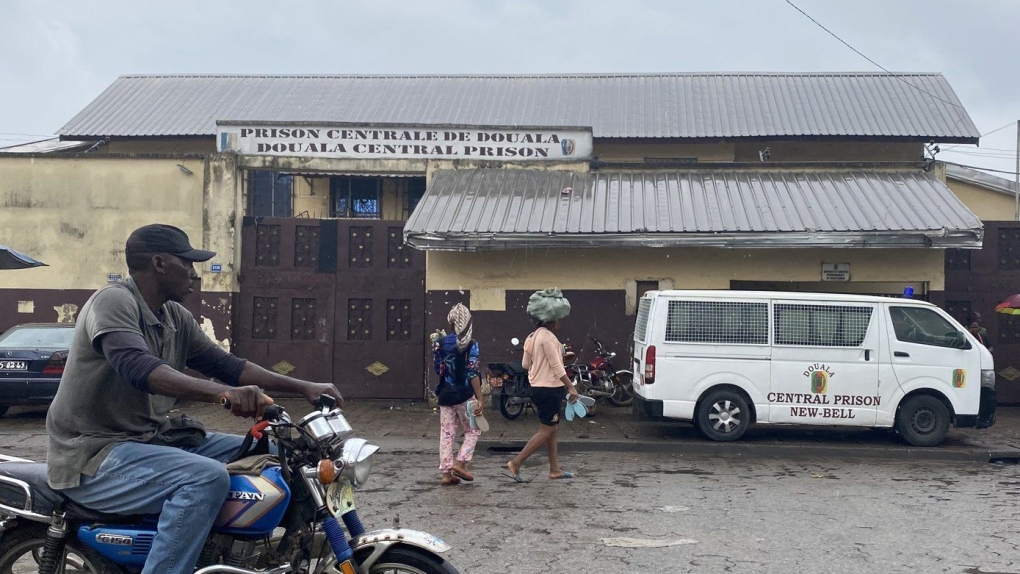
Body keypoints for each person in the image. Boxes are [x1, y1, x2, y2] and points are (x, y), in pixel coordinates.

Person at [45, 224, 344, 574]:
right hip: (91, 455)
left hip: (150, 440)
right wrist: (222, 395)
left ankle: (269, 552)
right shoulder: (113, 302)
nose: (194, 273)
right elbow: (139, 368)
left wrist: (305, 386)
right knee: (205, 477)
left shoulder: (175, 317)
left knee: (282, 449)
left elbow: (227, 366)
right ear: (159, 263)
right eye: (187, 263)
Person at [504, 288, 579, 482]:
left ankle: (555, 469)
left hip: (536, 387)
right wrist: (571, 387)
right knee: (546, 431)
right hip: (550, 389)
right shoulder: (548, 337)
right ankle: (516, 463)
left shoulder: (531, 337)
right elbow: (556, 366)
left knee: (553, 429)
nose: (558, 323)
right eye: (557, 319)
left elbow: (525, 365)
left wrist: (556, 356)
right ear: (551, 319)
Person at [432, 303, 485, 486]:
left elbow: (438, 369)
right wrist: (480, 397)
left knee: (447, 433)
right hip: (464, 395)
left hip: (445, 394)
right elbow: (472, 372)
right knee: (473, 430)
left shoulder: (439, 342)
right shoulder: (471, 344)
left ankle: (446, 474)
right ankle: (461, 462)